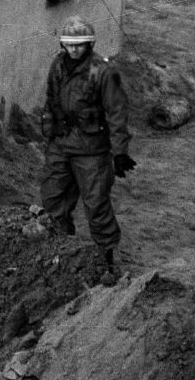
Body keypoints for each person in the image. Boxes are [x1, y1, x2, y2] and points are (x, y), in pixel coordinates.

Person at [39, 16, 135, 286]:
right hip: (61, 145)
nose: (74, 50)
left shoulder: (102, 71)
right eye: (69, 45)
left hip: (92, 149)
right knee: (53, 201)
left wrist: (120, 152)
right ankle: (61, 255)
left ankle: (107, 261)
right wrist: (49, 128)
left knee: (96, 204)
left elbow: (117, 112)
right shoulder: (57, 66)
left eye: (80, 45)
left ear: (89, 44)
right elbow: (50, 98)